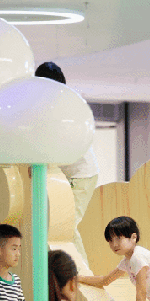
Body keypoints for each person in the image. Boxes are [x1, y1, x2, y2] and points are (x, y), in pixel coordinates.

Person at [36, 61, 97, 259]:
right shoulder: (51, 105)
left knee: (65, 226)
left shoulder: (64, 107)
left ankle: (80, 272)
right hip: (68, 173)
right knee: (55, 225)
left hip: (80, 175)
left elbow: (57, 143)